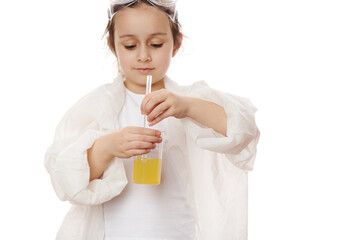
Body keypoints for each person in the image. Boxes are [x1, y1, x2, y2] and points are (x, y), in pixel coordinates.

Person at [44, 0, 260, 239]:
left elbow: (244, 132)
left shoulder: (187, 101)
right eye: (130, 46)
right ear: (113, 46)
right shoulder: (95, 108)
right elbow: (67, 180)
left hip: (178, 232)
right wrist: (108, 146)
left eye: (156, 44)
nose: (144, 56)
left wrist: (187, 106)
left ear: (175, 45)